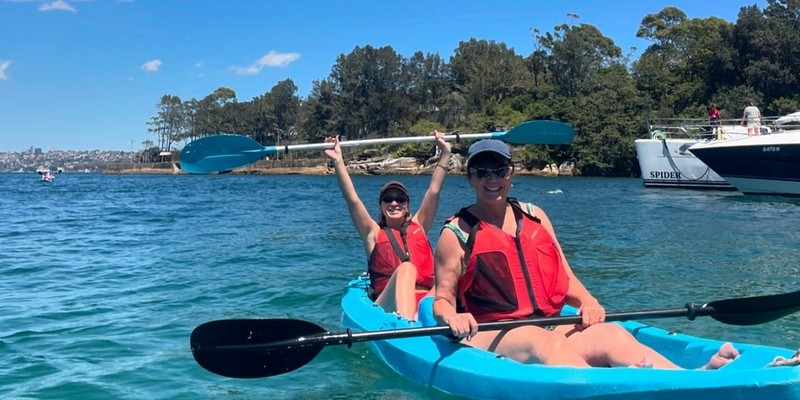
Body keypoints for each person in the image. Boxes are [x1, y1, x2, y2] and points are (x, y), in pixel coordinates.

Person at [432, 139, 739, 369]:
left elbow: (563, 276)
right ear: (470, 178)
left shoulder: (535, 216)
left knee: (612, 334)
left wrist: (588, 301)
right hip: (492, 332)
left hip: (549, 323)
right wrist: (452, 316)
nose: (492, 179)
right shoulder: (456, 232)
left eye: (499, 170)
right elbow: (442, 300)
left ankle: (691, 380)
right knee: (542, 342)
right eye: (482, 172)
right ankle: (615, 389)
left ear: (511, 173)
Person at [324, 131, 451, 320]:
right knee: (407, 269)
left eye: (399, 199)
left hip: (427, 302)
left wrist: (446, 153)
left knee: (451, 272)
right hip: (388, 305)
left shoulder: (419, 225)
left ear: (407, 205)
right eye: (388, 199)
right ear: (381, 206)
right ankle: (407, 330)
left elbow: (434, 190)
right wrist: (337, 161)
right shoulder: (372, 233)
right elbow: (352, 199)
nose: (394, 203)